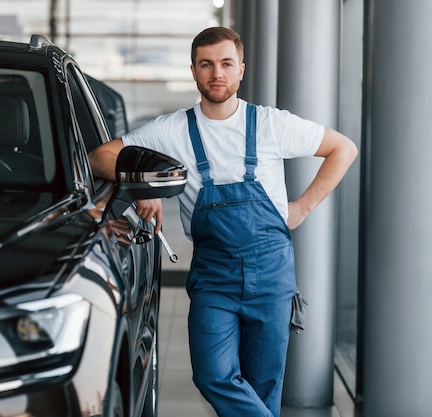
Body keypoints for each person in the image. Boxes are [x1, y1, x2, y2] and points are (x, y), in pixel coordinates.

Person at [88, 26, 358, 417]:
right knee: (213, 374)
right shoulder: (172, 130)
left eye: (226, 64)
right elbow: (100, 157)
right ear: (194, 71)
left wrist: (302, 208)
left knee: (264, 386)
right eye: (207, 64)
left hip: (272, 273)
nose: (217, 73)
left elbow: (342, 149)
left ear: (241, 70)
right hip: (214, 274)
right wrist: (144, 185)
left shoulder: (270, 124)